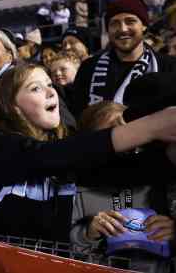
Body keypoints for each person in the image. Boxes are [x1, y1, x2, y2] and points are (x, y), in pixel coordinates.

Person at [0, 62, 176, 242]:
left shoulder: (69, 145)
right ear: (13, 107)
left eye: (49, 85)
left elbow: (119, 176)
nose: (49, 91)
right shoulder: (0, 145)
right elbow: (47, 157)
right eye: (35, 88)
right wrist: (149, 127)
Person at [72, 101, 175, 273]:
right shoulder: (79, 193)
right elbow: (66, 253)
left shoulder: (164, 180)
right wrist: (88, 233)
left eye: (131, 128)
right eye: (113, 133)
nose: (129, 137)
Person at [71, 0, 176, 117]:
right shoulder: (88, 68)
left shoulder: (169, 67)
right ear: (108, 29)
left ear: (144, 26)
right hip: (101, 135)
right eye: (114, 23)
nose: (122, 29)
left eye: (130, 21)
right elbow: (79, 116)